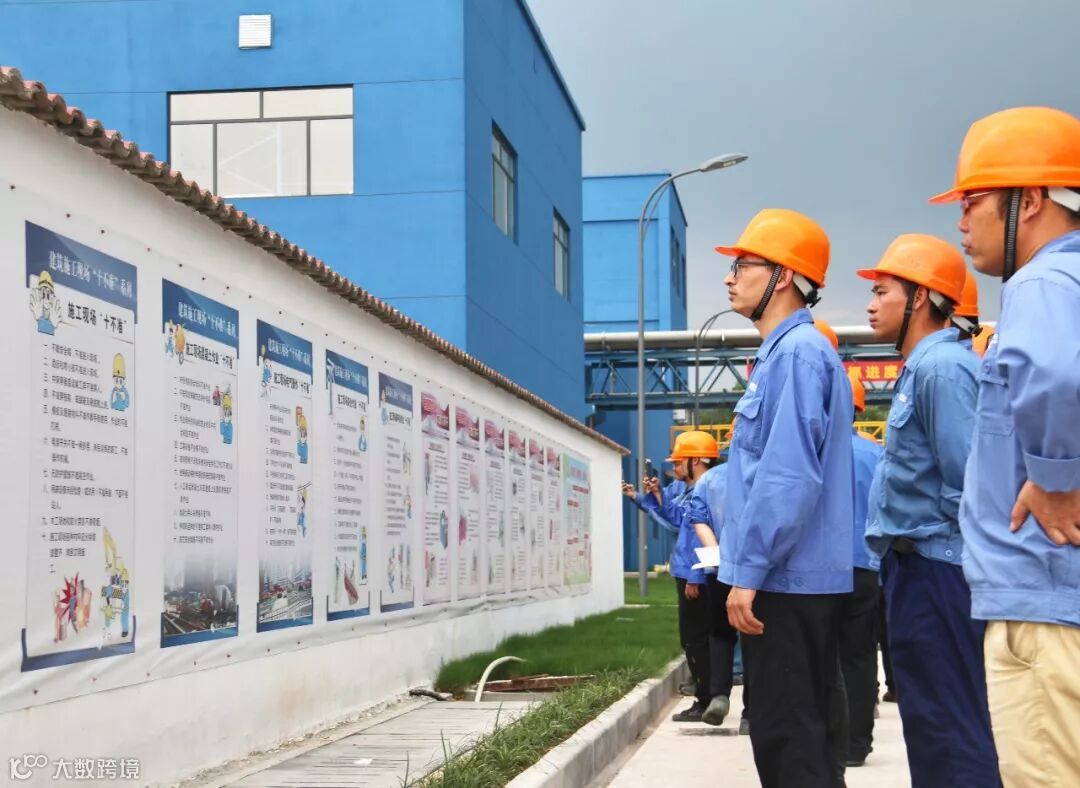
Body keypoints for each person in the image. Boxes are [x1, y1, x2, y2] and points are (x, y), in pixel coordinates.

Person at [931, 106, 1080, 788]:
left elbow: (1055, 375)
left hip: (1042, 599)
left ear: (1032, 199)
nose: (962, 221)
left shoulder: (1042, 283)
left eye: (973, 201)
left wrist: (1056, 477)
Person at [710, 208, 854, 788]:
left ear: (785, 276)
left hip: (786, 582)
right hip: (793, 578)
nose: (730, 277)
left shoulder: (796, 354)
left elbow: (788, 477)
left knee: (789, 742)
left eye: (743, 265)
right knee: (800, 739)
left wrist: (749, 572)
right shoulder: (787, 353)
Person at [857, 233, 999, 788]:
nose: (871, 304)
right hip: (916, 568)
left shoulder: (942, 369)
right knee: (931, 725)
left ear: (920, 297)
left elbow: (971, 482)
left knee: (950, 726)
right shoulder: (924, 367)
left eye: (883, 291)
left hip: (938, 571)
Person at [626, 431, 717, 722]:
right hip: (693, 571)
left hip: (696, 573)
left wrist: (695, 576)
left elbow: (699, 536)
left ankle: (706, 699)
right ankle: (711, 695)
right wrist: (655, 496)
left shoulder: (706, 490)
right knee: (698, 637)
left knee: (696, 638)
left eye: (679, 462)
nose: (675, 467)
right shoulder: (697, 489)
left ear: (696, 461)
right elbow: (676, 518)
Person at [841, 368, 884, 768]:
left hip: (819, 571)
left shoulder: (813, 451)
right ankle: (857, 743)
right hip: (867, 567)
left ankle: (829, 737)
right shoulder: (876, 454)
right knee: (859, 655)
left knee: (819, 655)